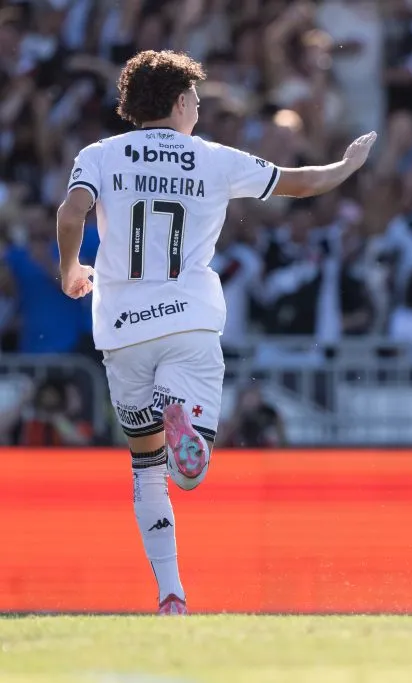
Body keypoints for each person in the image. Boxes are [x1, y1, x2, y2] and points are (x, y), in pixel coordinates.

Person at [55, 50, 376, 616]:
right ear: (180, 102)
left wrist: (69, 269)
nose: (199, 110)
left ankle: (170, 593)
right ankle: (187, 430)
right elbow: (298, 183)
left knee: (145, 469)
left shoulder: (99, 155)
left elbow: (69, 213)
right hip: (190, 320)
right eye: (197, 100)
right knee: (192, 471)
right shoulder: (212, 159)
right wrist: (346, 167)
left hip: (121, 328)